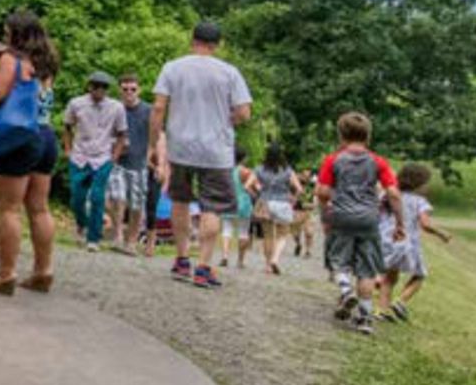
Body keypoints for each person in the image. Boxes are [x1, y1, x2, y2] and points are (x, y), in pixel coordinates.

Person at [149, 20, 254, 290]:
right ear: (217, 45)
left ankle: (182, 259)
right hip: (216, 150)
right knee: (213, 207)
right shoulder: (229, 72)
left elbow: (159, 107)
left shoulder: (172, 67)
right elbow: (244, 112)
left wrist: (154, 144)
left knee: (180, 200)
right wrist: (224, 119)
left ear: (192, 40)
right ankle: (204, 267)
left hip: (180, 145)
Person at [0, 12, 61, 295]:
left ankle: (6, 273)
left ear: (17, 34)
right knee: (39, 207)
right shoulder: (47, 62)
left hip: (19, 136)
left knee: (9, 208)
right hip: (46, 136)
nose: (5, 35)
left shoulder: (13, 59)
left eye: (8, 31)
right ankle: (43, 271)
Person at [317, 112, 399, 335]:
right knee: (367, 269)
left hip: (341, 216)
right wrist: (400, 223)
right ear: (368, 135)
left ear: (341, 134)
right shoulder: (378, 162)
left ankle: (345, 290)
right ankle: (365, 318)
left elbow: (322, 192)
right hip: (369, 219)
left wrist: (326, 216)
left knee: (337, 259)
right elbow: (393, 193)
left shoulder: (333, 160)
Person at [61, 71, 127, 252]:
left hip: (103, 157)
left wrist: (115, 156)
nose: (99, 90)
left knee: (98, 197)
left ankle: (94, 238)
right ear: (89, 87)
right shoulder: (76, 104)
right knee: (77, 197)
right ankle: (82, 223)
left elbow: (122, 134)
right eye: (96, 86)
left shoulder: (116, 107)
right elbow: (67, 126)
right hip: (80, 155)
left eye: (103, 87)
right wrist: (67, 149)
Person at [379, 163, 451, 322]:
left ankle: (383, 310)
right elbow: (425, 224)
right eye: (426, 183)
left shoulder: (389, 194)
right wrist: (441, 233)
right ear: (418, 184)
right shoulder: (419, 201)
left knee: (389, 278)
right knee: (419, 275)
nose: (427, 186)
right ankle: (400, 302)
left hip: (386, 240)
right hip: (406, 243)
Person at [106, 74, 154, 256]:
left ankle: (131, 242)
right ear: (120, 90)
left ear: (139, 90)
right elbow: (104, 131)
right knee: (117, 198)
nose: (129, 93)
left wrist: (158, 160)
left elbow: (158, 136)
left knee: (136, 206)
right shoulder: (114, 109)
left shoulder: (148, 110)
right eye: (125, 89)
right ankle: (118, 236)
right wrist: (114, 144)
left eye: (133, 89)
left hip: (140, 163)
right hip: (117, 161)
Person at [250, 146, 305, 275]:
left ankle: (268, 266)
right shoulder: (287, 170)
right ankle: (275, 259)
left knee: (268, 236)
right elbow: (300, 189)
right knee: (283, 235)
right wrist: (293, 200)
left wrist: (257, 195)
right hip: (283, 204)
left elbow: (248, 185)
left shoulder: (259, 169)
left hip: (265, 204)